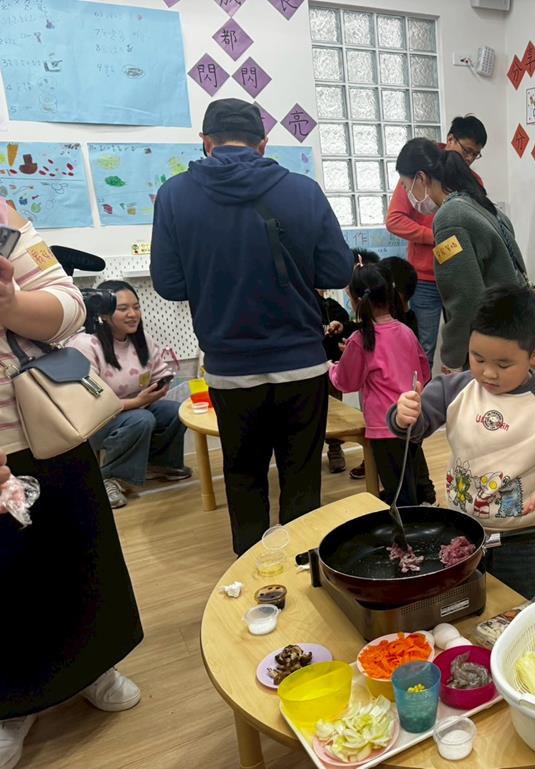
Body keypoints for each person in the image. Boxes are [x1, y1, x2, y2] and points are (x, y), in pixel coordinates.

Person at [150, 97, 354, 556]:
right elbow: (337, 271)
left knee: (243, 477)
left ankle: (251, 574)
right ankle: (303, 574)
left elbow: (168, 283)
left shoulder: (174, 195)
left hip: (229, 368)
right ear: (263, 144)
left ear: (206, 142)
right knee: (302, 478)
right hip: (302, 364)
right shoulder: (303, 191)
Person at [0, 200, 143, 769]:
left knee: (80, 552)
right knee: (7, 578)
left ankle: (94, 665)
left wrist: (11, 302)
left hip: (50, 426)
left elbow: (70, 307)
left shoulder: (5, 218)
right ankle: (14, 703)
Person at [392, 285, 535, 600]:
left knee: (518, 603)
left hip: (520, 537)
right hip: (461, 527)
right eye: (478, 358)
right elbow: (416, 427)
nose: (488, 373)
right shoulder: (454, 389)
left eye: (503, 365)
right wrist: (404, 416)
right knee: (465, 599)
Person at [67, 280, 190, 509]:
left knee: (176, 411)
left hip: (135, 409)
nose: (133, 314)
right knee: (142, 419)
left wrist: (161, 385)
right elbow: (89, 399)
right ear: (104, 314)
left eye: (136, 307)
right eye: (123, 309)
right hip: (96, 419)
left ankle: (159, 465)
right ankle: (109, 478)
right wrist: (137, 402)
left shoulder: (141, 339)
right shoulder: (85, 344)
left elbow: (159, 371)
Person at [386, 116, 487, 369]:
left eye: (475, 154)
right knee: (424, 347)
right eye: (466, 151)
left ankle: (464, 391)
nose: (469, 158)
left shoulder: (473, 181)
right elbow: (394, 220)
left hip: (461, 276)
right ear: (450, 139)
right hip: (426, 279)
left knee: (469, 345)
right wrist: (435, 236)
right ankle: (423, 395)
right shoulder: (418, 172)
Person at [330, 264, 433, 506]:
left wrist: (331, 368)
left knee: (398, 489)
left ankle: (408, 523)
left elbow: (345, 382)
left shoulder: (360, 340)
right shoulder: (405, 331)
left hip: (384, 427)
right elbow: (424, 372)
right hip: (413, 420)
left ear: (357, 301)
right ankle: (426, 509)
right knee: (416, 476)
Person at [320, 249, 381, 475]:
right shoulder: (401, 328)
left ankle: (349, 453)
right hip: (393, 414)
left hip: (378, 410)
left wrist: (336, 366)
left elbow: (346, 381)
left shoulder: (357, 331)